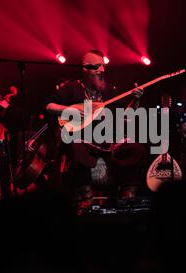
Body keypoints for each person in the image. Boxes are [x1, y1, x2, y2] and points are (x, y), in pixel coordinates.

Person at [45, 49, 147, 210]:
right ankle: (86, 196)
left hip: (107, 140)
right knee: (74, 144)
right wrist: (70, 109)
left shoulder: (109, 90)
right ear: (86, 68)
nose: (102, 70)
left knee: (136, 148)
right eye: (97, 67)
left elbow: (126, 115)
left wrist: (136, 101)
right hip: (83, 140)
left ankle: (128, 195)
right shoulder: (71, 88)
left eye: (103, 66)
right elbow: (49, 106)